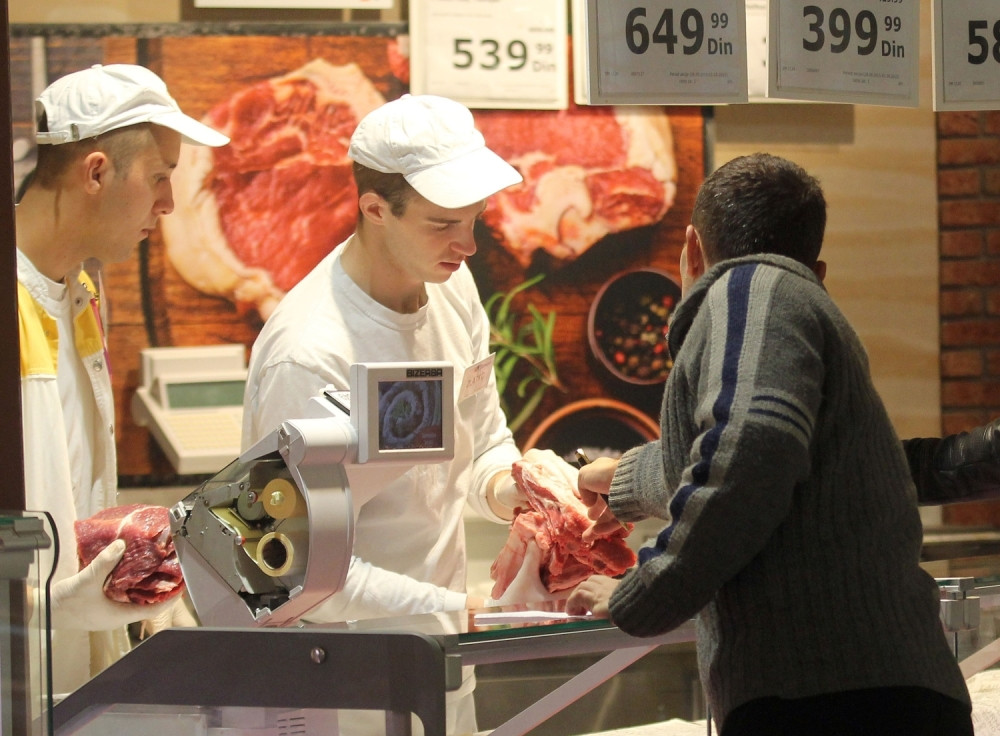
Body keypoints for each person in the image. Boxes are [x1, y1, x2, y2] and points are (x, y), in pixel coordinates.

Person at [566, 153, 973, 736]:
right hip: (871, 694)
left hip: (828, 702)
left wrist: (646, 590)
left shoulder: (750, 290)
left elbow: (752, 448)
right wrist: (624, 480)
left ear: (691, 250)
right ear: (819, 269)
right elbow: (767, 455)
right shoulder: (791, 298)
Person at [241, 94, 551, 734]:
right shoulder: (309, 353)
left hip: (442, 658)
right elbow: (287, 566)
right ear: (375, 209)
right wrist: (457, 605)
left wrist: (519, 489)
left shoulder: (450, 285)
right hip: (341, 681)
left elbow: (481, 441)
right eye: (442, 224)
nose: (468, 245)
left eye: (475, 219)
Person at [17, 63, 229, 696]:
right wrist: (44, 608)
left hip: (75, 681)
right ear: (96, 172)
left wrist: (126, 585)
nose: (169, 204)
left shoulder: (79, 292)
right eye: (160, 177)